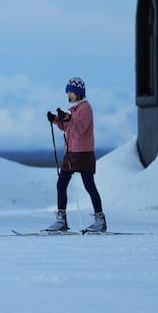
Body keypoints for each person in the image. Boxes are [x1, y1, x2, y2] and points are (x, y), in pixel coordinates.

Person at [46, 77, 107, 232]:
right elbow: (68, 128)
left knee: (89, 186)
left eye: (71, 92)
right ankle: (61, 220)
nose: (69, 95)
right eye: (68, 92)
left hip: (84, 153)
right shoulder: (74, 109)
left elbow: (79, 128)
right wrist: (56, 120)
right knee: (61, 184)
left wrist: (67, 118)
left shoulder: (85, 108)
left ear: (79, 93)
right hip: (71, 153)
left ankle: (100, 221)